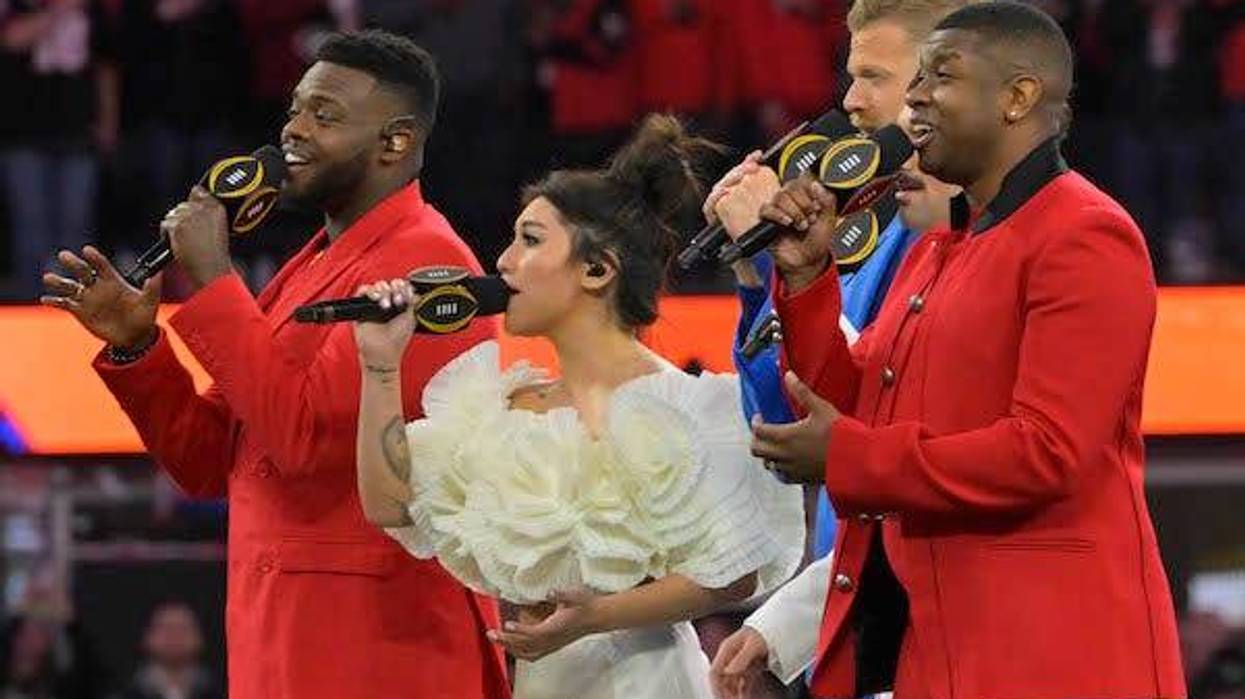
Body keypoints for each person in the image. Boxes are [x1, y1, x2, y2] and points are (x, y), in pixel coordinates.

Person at [40, 30, 509, 699]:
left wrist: (211, 278)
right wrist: (140, 348)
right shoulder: (309, 265)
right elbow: (211, 460)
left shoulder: (429, 266)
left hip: (378, 651)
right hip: (287, 640)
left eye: (325, 114)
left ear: (395, 141)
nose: (293, 129)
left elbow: (301, 438)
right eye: (294, 108)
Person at [748, 3, 1185, 697]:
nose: (915, 97)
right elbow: (853, 401)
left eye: (940, 76)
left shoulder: (1084, 233)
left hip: (1053, 656)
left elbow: (1046, 450)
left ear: (1016, 97)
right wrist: (804, 277)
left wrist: (848, 455)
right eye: (915, 78)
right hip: (938, 652)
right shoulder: (943, 249)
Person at [352, 114, 806, 699]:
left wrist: (598, 615)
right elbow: (390, 504)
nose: (505, 262)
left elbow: (731, 572)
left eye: (531, 240)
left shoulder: (690, 407)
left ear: (596, 270)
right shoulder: (504, 406)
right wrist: (380, 366)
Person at [702, 1, 968, 695]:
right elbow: (783, 423)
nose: (849, 101)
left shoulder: (964, 240)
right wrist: (756, 272)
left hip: (941, 617)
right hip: (858, 607)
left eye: (873, 77)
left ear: (943, 83)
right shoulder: (874, 231)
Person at [116, 602, 222, 699]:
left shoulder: (222, 692)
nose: (174, 636)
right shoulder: (124, 694)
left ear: (199, 638)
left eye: (183, 629)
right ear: (147, 637)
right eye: (165, 628)